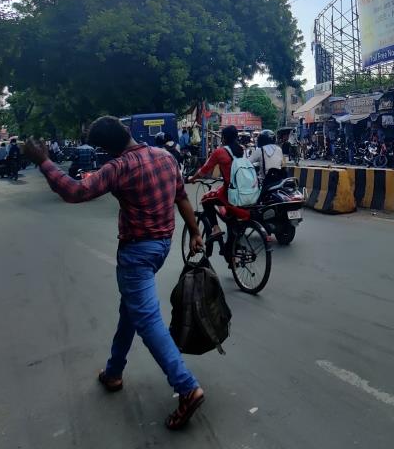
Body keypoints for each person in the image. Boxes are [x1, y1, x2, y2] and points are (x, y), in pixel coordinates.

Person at [23, 117, 206, 431]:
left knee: (146, 320)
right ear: (128, 132)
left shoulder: (119, 167)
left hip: (137, 253)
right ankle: (113, 371)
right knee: (130, 312)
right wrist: (195, 232)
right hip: (163, 246)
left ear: (105, 149)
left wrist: (44, 161)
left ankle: (186, 386)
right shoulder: (166, 157)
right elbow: (182, 197)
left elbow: (76, 192)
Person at [188, 126, 247, 260]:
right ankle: (231, 252)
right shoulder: (240, 150)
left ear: (224, 138)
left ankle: (215, 228)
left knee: (205, 200)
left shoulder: (219, 152)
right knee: (231, 220)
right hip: (243, 191)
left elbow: (204, 170)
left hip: (229, 192)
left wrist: (192, 179)